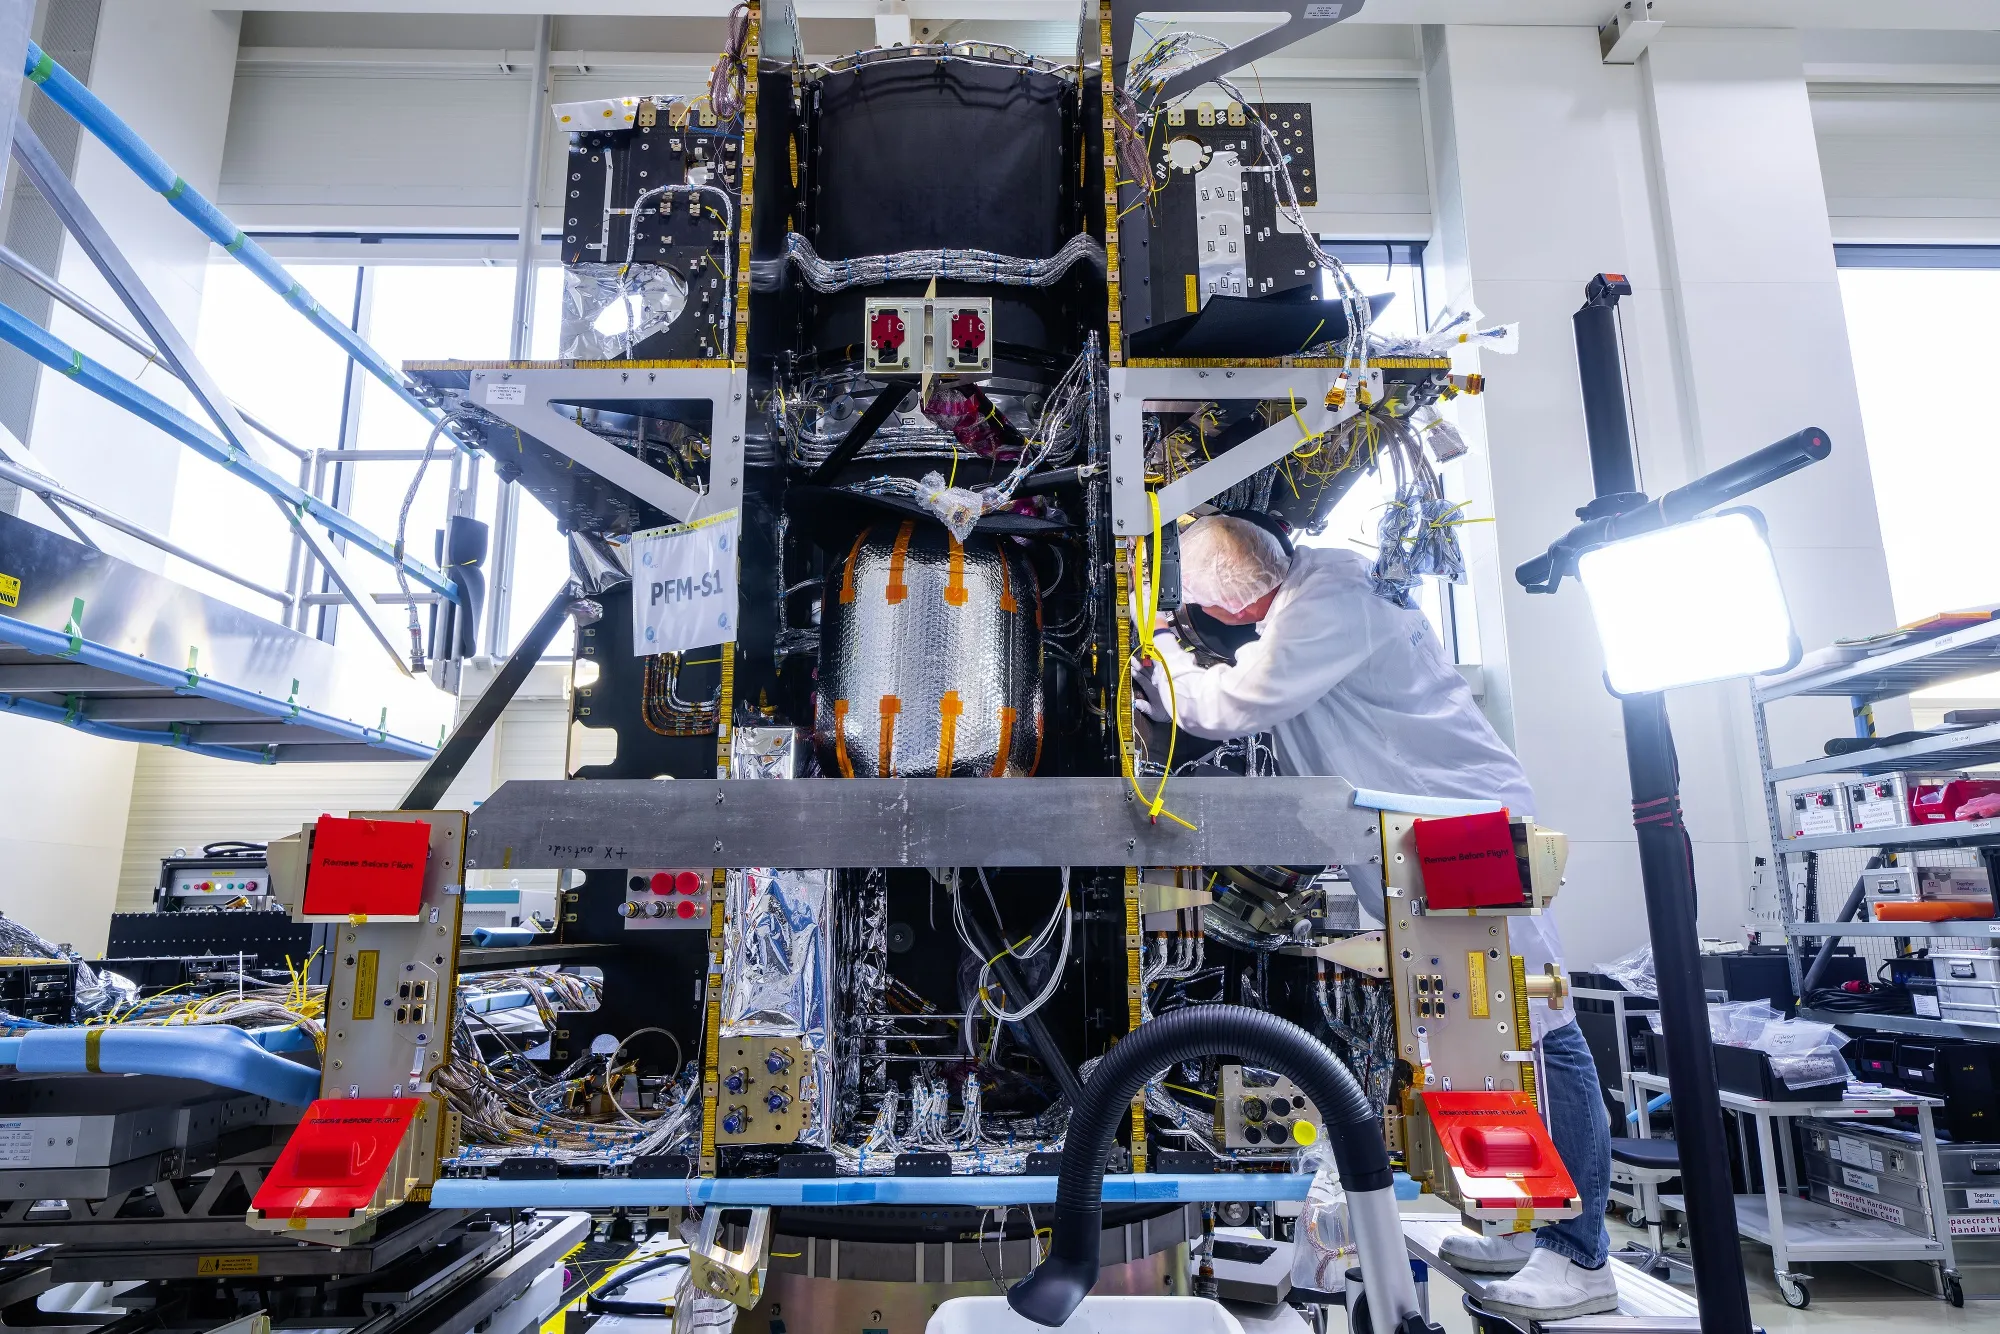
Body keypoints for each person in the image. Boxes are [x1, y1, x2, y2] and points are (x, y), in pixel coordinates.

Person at [1137, 514, 1616, 1323]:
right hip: (1425, 838)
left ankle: (1582, 1255)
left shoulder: (1329, 601)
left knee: (1535, 1028)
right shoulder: (1308, 589)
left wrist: (1161, 655)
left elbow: (1228, 707)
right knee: (1462, 1043)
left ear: (1234, 607)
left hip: (1462, 832)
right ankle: (1516, 1220)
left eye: (1203, 609)